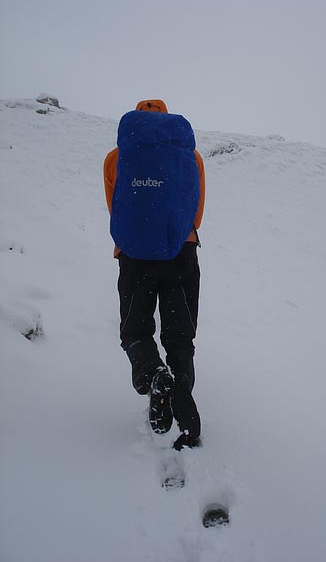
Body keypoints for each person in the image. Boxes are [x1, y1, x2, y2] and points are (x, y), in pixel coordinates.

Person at [103, 99, 205, 450]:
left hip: (134, 256)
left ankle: (152, 374)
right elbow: (196, 208)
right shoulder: (190, 157)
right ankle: (186, 417)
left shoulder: (117, 157)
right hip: (181, 251)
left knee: (135, 328)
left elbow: (115, 205)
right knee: (179, 335)